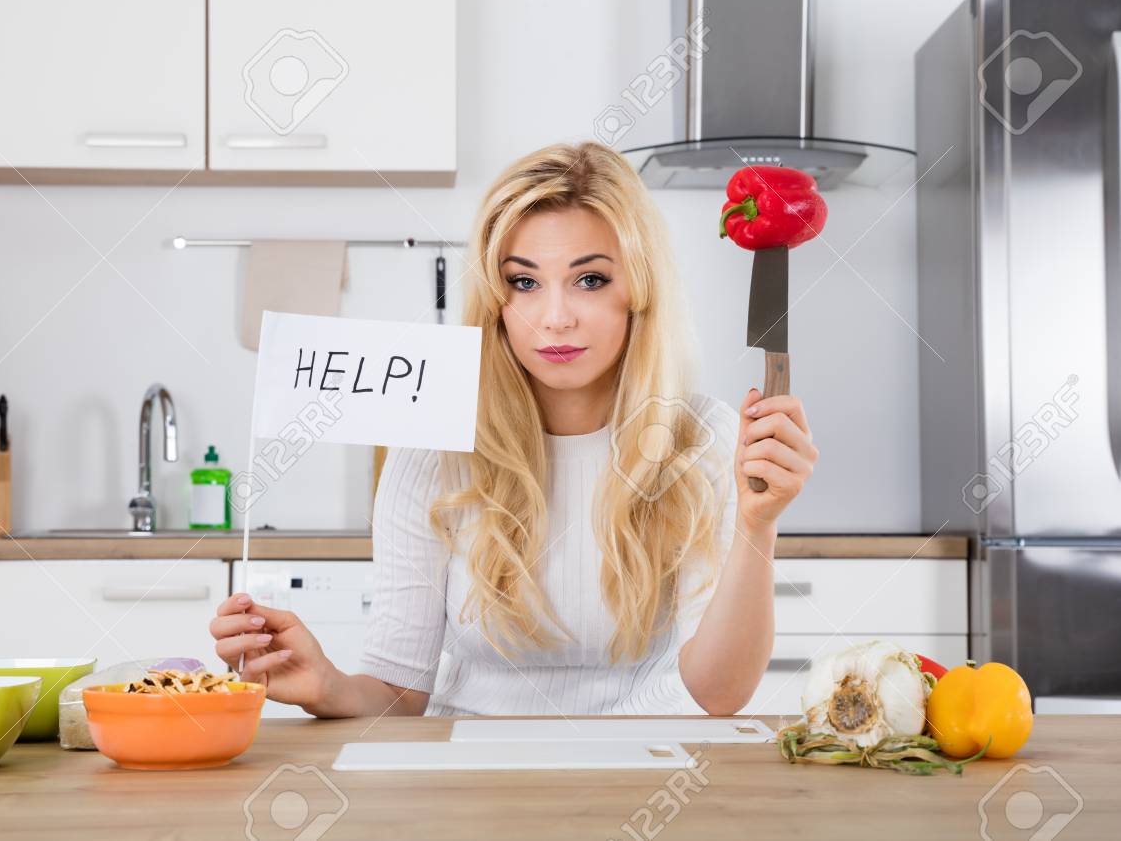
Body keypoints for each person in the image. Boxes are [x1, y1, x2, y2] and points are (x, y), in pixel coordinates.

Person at [210, 141, 817, 717]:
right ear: (497, 299)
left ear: (639, 290)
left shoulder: (703, 438)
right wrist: (328, 685)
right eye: (525, 282)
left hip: (646, 773)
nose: (554, 318)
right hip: (469, 778)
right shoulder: (433, 444)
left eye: (590, 279)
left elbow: (719, 694)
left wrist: (756, 525)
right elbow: (398, 692)